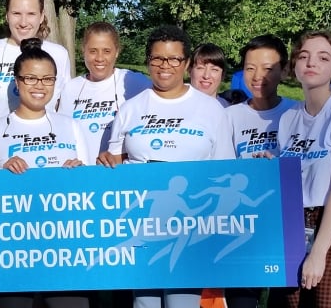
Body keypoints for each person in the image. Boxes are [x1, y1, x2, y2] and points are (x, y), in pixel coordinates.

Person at [97, 25, 235, 308]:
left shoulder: (211, 110)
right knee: (144, 303)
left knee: (181, 303)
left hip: (192, 230)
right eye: (157, 58)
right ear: (148, 61)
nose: (164, 66)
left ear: (185, 64)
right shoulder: (130, 109)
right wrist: (108, 163)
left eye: (173, 59)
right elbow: (115, 164)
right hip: (141, 226)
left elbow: (224, 170)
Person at [0, 38, 90, 308]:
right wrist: (0, 173)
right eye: (31, 79)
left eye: (47, 79)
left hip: (65, 249)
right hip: (15, 253)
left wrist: (79, 173)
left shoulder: (72, 127)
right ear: (17, 81)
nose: (39, 86)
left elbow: (88, 188)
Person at [268, 31, 331, 308]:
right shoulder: (289, 117)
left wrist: (319, 253)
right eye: (304, 56)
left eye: (323, 58)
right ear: (294, 66)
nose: (311, 63)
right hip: (294, 223)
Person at [224, 34, 295, 308]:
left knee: (284, 299)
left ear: (284, 70)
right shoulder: (230, 116)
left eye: (268, 68)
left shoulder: (296, 112)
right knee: (243, 299)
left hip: (286, 222)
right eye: (250, 68)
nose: (258, 76)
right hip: (243, 223)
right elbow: (223, 166)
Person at [0, 0, 72, 126]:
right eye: (16, 13)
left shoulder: (59, 55)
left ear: (42, 16)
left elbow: (64, 111)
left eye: (31, 14)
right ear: (7, 15)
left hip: (43, 144)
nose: (23, 22)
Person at [57, 21, 151, 161]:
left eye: (106, 51)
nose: (99, 58)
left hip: (120, 175)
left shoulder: (135, 82)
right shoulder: (71, 88)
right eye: (93, 51)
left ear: (117, 52)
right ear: (83, 50)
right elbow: (62, 135)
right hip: (82, 176)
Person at [188, 43, 230, 107]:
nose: (206, 76)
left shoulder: (228, 111)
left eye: (214, 69)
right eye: (200, 68)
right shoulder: (175, 107)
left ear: (222, 75)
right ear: (190, 71)